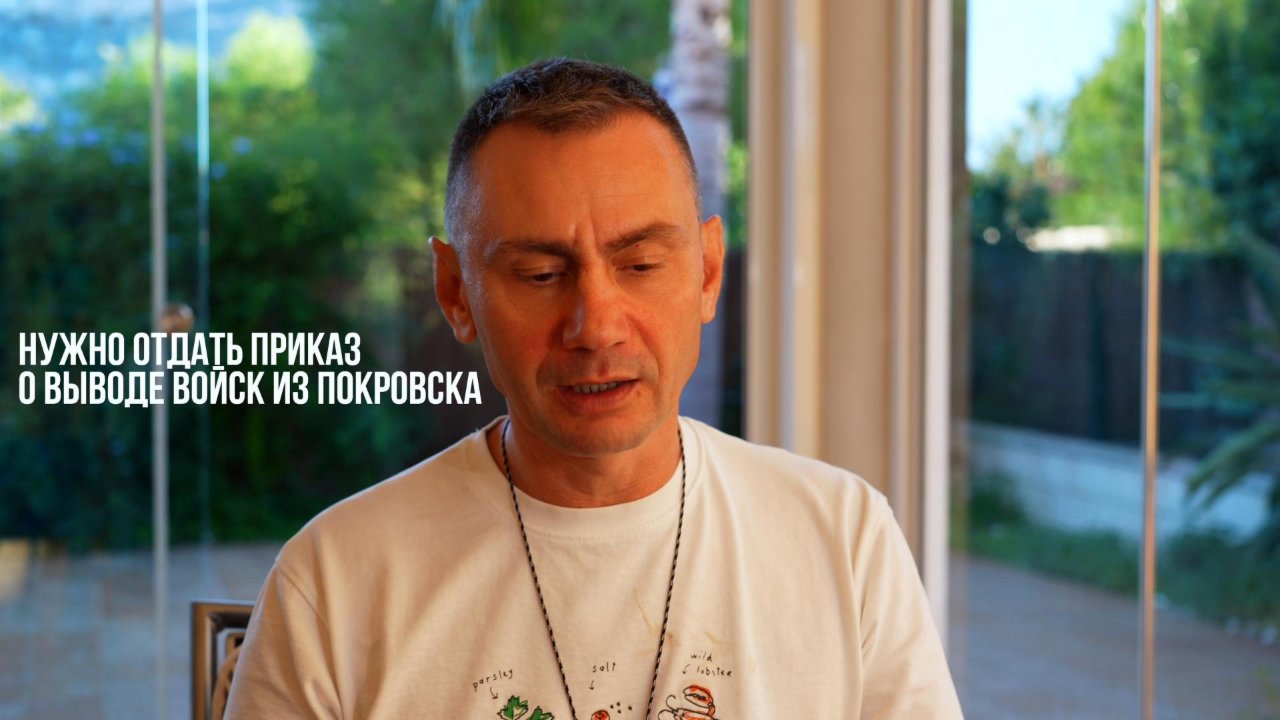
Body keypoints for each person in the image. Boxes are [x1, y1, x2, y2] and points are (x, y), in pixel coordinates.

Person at [224, 58, 963, 719]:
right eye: (540, 275)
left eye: (640, 265)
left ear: (707, 272)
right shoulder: (336, 583)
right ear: (455, 292)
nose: (596, 327)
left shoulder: (843, 539)